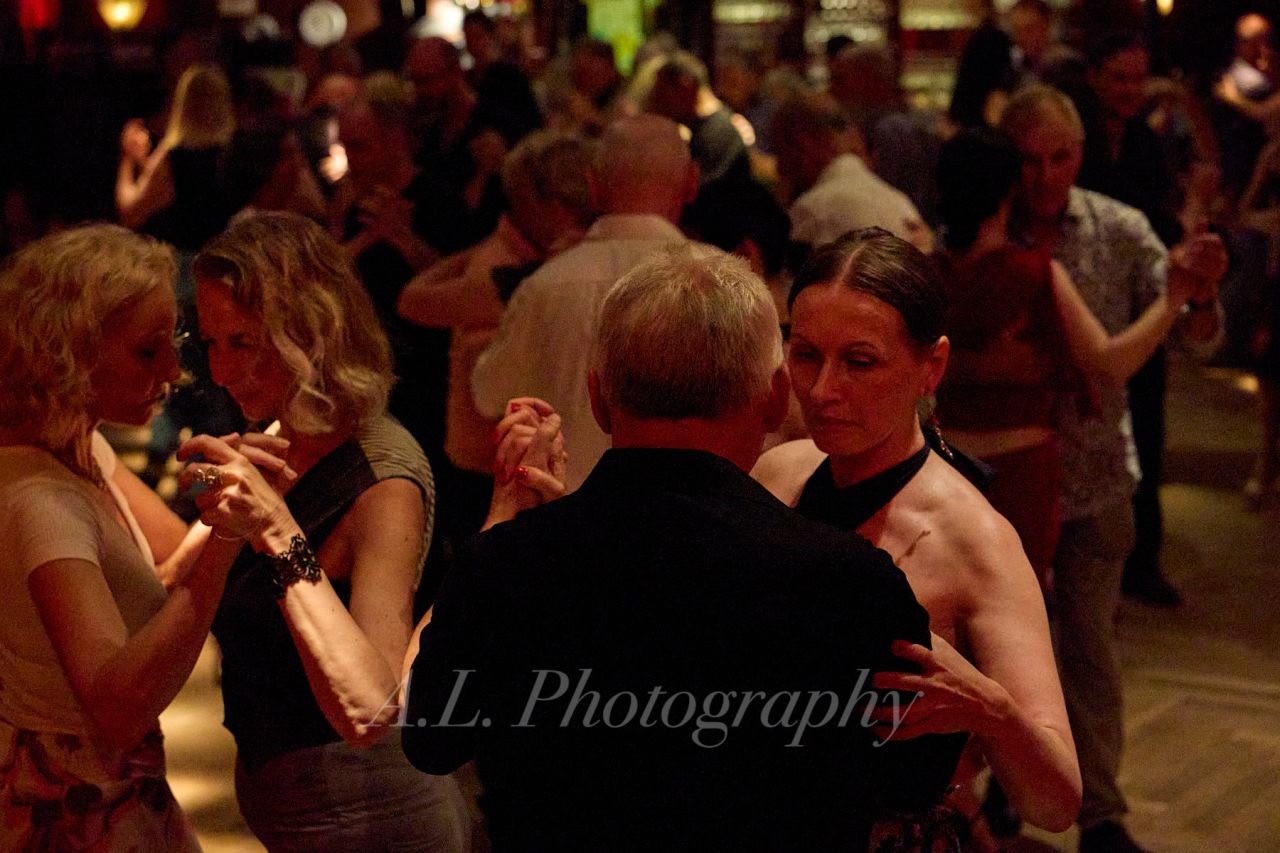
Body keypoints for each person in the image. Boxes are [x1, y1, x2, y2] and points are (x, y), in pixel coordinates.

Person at [403, 245, 956, 851]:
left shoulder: (505, 567)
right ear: (776, 399)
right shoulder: (852, 582)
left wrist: (507, 530)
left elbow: (431, 740)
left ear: (598, 399)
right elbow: (915, 779)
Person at [751, 229, 1082, 847]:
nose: (822, 390)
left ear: (932, 367)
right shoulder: (777, 474)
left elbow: (1057, 801)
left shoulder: (976, 540)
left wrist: (992, 712)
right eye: (806, 355)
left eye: (859, 362)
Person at [186, 212, 469, 852]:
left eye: (242, 343)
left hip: (372, 818)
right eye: (210, 342)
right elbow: (169, 584)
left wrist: (275, 527)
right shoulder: (282, 434)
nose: (219, 370)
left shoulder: (382, 481)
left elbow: (371, 706)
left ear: (308, 334)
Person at [1000, 85, 1226, 853]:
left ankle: (1100, 811)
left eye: (1059, 158)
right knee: (1005, 648)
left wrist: (1200, 294)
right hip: (1003, 479)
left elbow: (1195, 335)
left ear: (1081, 154)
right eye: (1029, 160)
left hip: (1093, 475)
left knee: (1090, 649)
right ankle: (1005, 791)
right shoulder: (986, 227)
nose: (1044, 176)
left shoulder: (1116, 227)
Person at [0, 224, 231, 850]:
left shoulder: (83, 444)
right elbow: (116, 707)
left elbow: (168, 564)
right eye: (148, 352)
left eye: (173, 342)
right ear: (65, 353)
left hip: (119, 795)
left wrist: (239, 487)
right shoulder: (43, 502)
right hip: (79, 812)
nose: (175, 371)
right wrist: (229, 540)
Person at [934, 128, 1204, 588]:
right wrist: (1173, 299)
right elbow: (1111, 364)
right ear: (1008, 194)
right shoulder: (1035, 274)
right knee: (1019, 610)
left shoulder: (925, 273)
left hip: (943, 466)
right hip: (1020, 471)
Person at [470, 114, 700, 491]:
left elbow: (488, 394)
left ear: (592, 186)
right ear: (691, 183)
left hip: (562, 509)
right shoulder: (725, 284)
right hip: (686, 512)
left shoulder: (545, 285)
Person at [397, 130, 596, 532]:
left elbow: (415, 297)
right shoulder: (508, 272)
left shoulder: (523, 269)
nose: (574, 216)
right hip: (491, 468)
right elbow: (412, 300)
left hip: (508, 461)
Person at [772, 92, 934, 263]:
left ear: (802, 142)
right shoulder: (901, 201)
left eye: (779, 150)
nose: (779, 166)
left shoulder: (813, 209)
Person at [116, 63, 235, 253]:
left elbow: (131, 212)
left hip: (184, 260)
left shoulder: (174, 155)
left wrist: (128, 157)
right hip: (225, 258)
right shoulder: (235, 152)